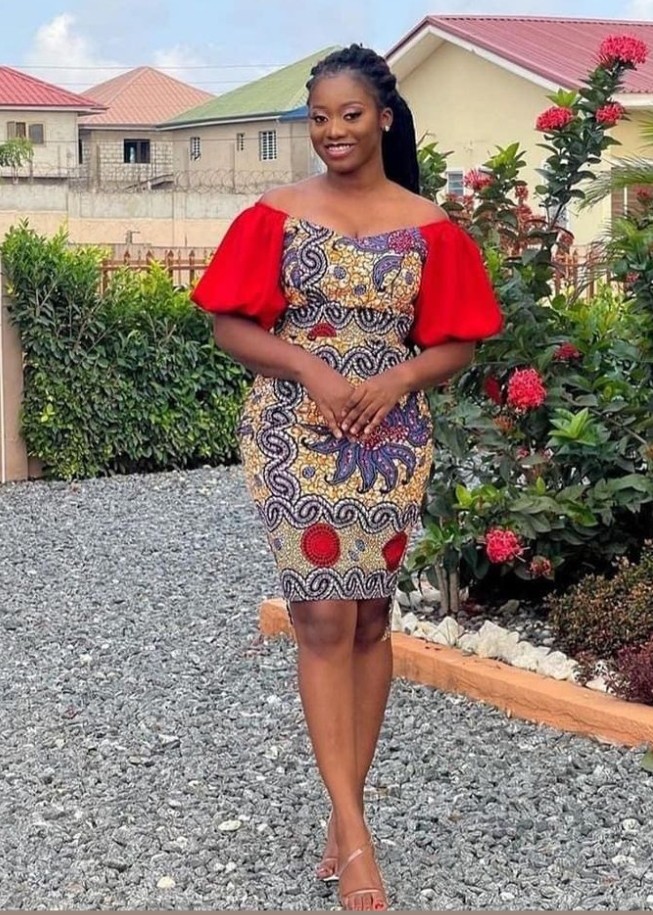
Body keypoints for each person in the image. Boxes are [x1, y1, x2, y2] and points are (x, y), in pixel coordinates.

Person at [191, 44, 502, 912]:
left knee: (368, 618)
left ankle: (343, 811)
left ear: (384, 119)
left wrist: (397, 378)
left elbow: (457, 339)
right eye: (319, 117)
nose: (332, 130)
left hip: (391, 441)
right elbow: (228, 325)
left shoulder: (429, 225)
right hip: (294, 430)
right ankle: (357, 838)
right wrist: (312, 369)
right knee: (323, 616)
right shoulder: (274, 215)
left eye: (349, 115)